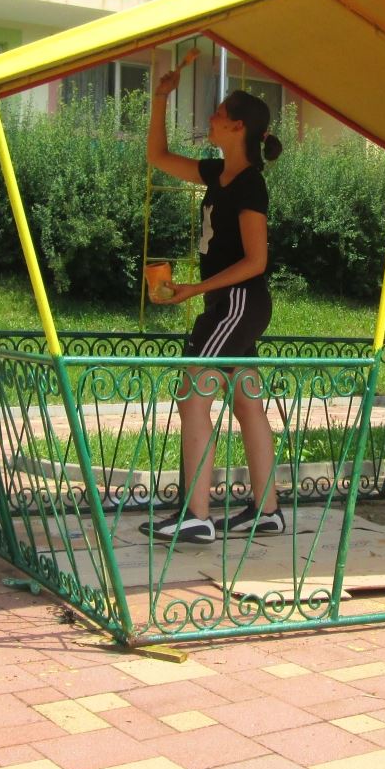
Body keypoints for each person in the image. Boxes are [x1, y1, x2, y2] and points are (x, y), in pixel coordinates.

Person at [140, 69, 285, 545]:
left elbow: (256, 261)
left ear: (238, 127)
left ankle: (196, 515)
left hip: (236, 303)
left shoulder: (249, 185)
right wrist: (160, 98)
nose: (211, 118)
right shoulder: (216, 174)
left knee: (192, 393)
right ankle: (266, 511)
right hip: (235, 304)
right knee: (246, 401)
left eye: (219, 113)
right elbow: (158, 157)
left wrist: (194, 290)